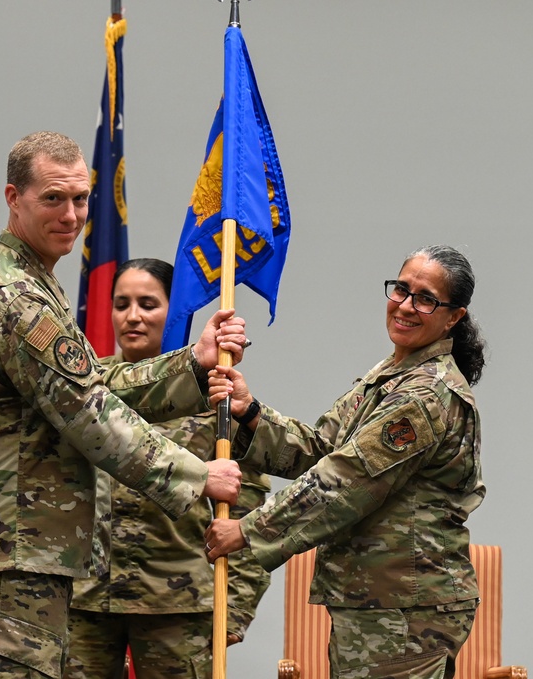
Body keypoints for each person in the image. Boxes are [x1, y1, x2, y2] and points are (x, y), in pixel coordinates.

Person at [0, 131, 249, 679]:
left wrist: (192, 361)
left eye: (81, 199)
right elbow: (88, 411)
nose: (71, 214)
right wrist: (197, 476)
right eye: (53, 198)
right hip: (8, 548)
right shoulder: (14, 299)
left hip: (18, 547)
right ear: (14, 198)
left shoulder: (33, 285)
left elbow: (93, 381)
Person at [204, 245, 487, 679]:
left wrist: (247, 530)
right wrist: (250, 413)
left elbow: (345, 480)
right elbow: (321, 450)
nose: (406, 306)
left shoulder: (425, 394)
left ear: (453, 317)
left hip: (405, 612)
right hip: (377, 601)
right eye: (401, 290)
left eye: (425, 298)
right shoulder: (391, 375)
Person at [65, 259, 272, 679]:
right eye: (121, 304)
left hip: (177, 600)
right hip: (86, 599)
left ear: (174, 309)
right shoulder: (86, 391)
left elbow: (250, 512)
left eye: (148, 303)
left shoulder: (215, 394)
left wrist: (235, 604)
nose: (133, 316)